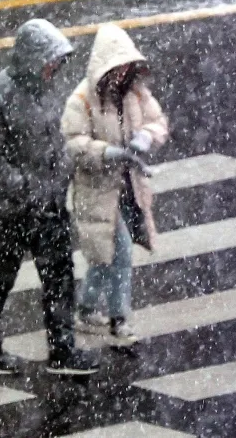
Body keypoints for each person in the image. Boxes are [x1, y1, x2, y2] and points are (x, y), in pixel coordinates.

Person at [0, 18, 100, 376]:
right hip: (10, 209)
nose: (54, 68)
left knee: (59, 275)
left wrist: (63, 174)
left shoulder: (46, 89)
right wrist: (25, 189)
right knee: (0, 275)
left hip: (48, 203)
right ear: (32, 58)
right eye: (49, 61)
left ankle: (62, 348)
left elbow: (54, 138)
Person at [62, 23, 168, 346]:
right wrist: (106, 152)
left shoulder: (136, 92)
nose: (123, 73)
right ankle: (120, 319)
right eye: (117, 67)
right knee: (120, 252)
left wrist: (144, 138)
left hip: (127, 188)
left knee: (105, 254)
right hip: (98, 190)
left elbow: (157, 122)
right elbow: (72, 143)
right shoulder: (83, 99)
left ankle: (86, 306)